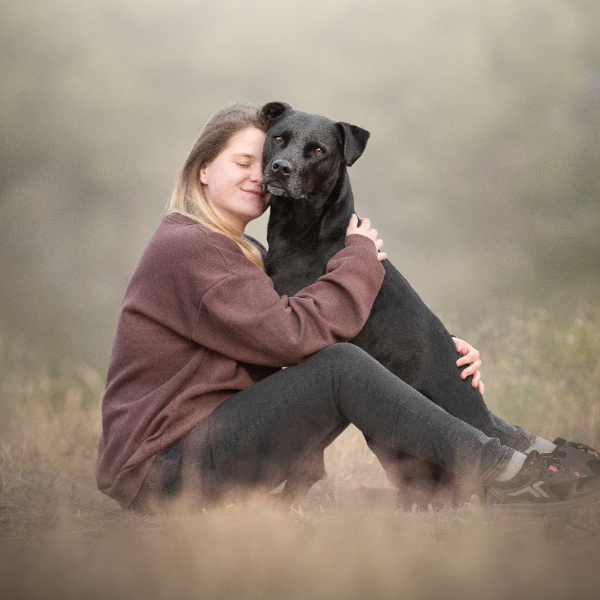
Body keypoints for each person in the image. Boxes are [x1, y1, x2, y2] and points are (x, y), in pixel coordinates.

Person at [96, 103, 600, 515]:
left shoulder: (240, 256)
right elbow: (295, 337)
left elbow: (307, 339)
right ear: (203, 168)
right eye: (243, 162)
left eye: (264, 157)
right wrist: (359, 255)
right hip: (163, 471)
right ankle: (504, 471)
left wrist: (435, 352)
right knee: (339, 364)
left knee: (343, 357)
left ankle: (518, 457)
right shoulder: (187, 247)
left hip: (201, 451)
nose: (268, 169)